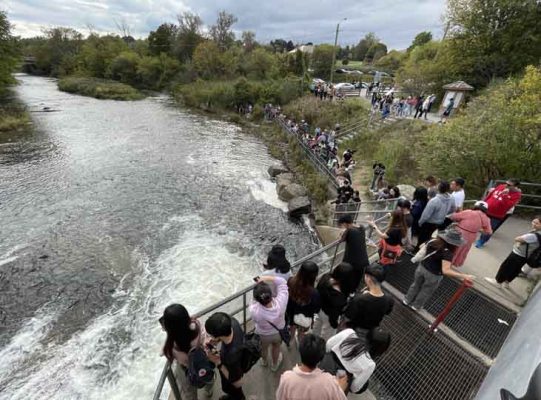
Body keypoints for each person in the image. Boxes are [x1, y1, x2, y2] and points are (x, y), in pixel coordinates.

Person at [404, 226, 475, 310]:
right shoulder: (447, 253)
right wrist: (464, 276)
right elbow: (446, 270)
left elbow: (421, 246)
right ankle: (416, 306)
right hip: (433, 275)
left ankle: (407, 300)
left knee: (415, 284)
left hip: (422, 267)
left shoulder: (432, 241)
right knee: (426, 290)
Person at [160, 304, 214, 400]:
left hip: (186, 369)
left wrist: (169, 331)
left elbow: (166, 354)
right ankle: (209, 392)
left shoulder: (171, 345)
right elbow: (204, 338)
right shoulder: (196, 325)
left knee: (189, 393)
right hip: (202, 360)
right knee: (207, 377)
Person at [276, 334, 348, 400]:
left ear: (301, 353)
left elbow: (280, 398)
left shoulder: (287, 378)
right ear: (320, 360)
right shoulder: (330, 382)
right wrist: (340, 389)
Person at [485, 217, 541, 289]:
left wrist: (519, 239)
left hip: (518, 254)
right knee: (516, 270)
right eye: (533, 222)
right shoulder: (538, 233)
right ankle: (507, 282)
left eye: (537, 223)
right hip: (527, 256)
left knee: (506, 267)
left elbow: (517, 239)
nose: (533, 224)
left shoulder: (534, 235)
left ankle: (498, 281)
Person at [250, 275, 288, 372]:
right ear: (271, 294)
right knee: (276, 348)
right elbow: (282, 282)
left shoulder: (254, 311)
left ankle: (264, 361)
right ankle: (275, 365)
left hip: (263, 334)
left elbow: (253, 302)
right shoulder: (282, 301)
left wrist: (258, 289)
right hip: (278, 332)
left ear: (257, 299)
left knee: (264, 348)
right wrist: (265, 278)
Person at [205, 312, 246, 400]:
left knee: (236, 392)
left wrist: (218, 363)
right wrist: (217, 340)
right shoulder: (232, 322)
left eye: (210, 335)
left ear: (217, 336)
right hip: (238, 361)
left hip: (232, 374)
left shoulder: (231, 355)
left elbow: (238, 383)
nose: (209, 337)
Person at [323, 328, 376, 395]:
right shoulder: (370, 364)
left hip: (325, 367)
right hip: (339, 386)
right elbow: (354, 388)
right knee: (365, 385)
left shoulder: (349, 333)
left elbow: (328, 344)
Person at [342, 263, 394, 330]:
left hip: (357, 328)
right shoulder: (389, 299)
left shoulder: (358, 300)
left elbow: (348, 316)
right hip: (372, 328)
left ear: (368, 278)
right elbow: (387, 312)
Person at [314, 262, 357, 340]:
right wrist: (335, 324)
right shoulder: (340, 298)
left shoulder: (325, 278)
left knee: (317, 324)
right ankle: (321, 346)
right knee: (327, 334)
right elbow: (333, 316)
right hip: (328, 315)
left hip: (319, 309)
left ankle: (313, 338)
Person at [476, 179, 522, 248]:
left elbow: (508, 205)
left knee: (489, 229)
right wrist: (483, 202)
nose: (506, 185)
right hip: (486, 209)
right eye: (506, 183)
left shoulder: (517, 195)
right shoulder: (501, 186)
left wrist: (505, 195)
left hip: (497, 215)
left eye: (509, 185)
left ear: (515, 186)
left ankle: (482, 241)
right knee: (476, 223)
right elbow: (491, 195)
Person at [286, 261, 321, 345]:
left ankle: (291, 339)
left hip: (292, 312)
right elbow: (316, 309)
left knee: (292, 326)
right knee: (301, 333)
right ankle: (300, 344)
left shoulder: (291, 282)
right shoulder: (314, 293)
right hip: (305, 317)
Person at [449, 201, 492, 267]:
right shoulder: (486, 218)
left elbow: (453, 217)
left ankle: (446, 263)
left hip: (459, 232)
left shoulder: (468, 212)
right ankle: (455, 263)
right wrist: (478, 229)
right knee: (462, 250)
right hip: (471, 236)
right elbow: (489, 231)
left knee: (453, 248)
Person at [417, 181, 456, 247]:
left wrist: (420, 222)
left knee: (423, 239)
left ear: (439, 188)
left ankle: (418, 251)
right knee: (431, 239)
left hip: (429, 223)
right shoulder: (451, 198)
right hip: (440, 222)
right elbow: (453, 209)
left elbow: (426, 214)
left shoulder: (434, 200)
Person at [338, 214, 370, 289]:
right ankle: (353, 292)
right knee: (357, 279)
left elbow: (340, 240)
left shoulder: (349, 230)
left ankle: (347, 291)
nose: (342, 226)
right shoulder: (361, 227)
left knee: (348, 279)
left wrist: (341, 233)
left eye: (342, 224)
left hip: (352, 262)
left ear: (345, 223)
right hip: (363, 260)